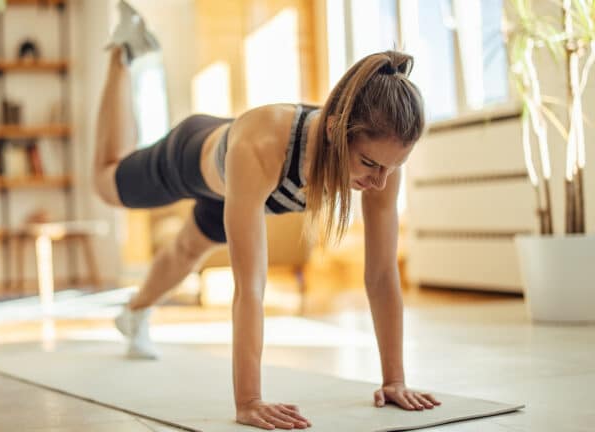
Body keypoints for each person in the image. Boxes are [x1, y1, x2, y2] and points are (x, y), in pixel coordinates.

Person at [93, 1, 442, 430]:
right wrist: (249, 400)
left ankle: (134, 313)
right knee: (106, 182)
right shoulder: (263, 144)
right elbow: (250, 286)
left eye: (394, 168)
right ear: (335, 131)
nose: (381, 183)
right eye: (370, 165)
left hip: (242, 190)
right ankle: (122, 54)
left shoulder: (380, 157)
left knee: (187, 249)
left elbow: (382, 275)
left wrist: (395, 381)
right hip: (194, 159)